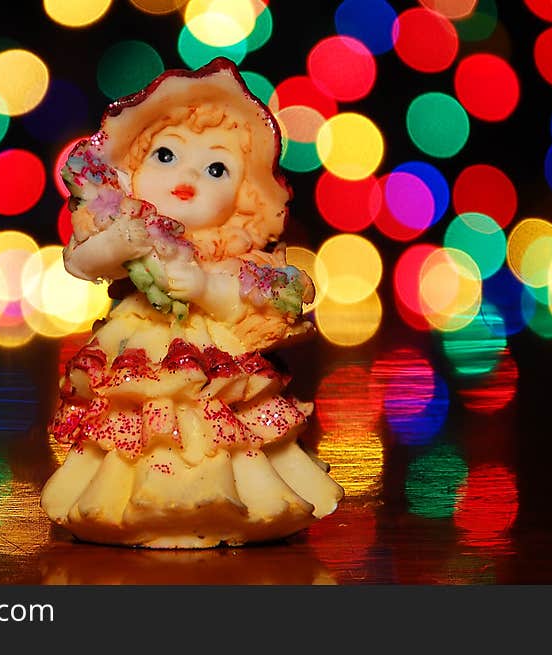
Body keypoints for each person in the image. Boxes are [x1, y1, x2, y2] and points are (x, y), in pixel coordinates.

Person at [40, 58, 343, 548]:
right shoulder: (128, 228)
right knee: (138, 422)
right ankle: (119, 501)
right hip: (139, 341)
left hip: (211, 356)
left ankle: (226, 499)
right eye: (165, 156)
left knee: (213, 419)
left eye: (216, 168)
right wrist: (120, 245)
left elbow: (256, 303)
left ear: (244, 197)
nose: (187, 176)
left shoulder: (235, 261)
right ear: (134, 169)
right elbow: (82, 262)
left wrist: (202, 288)